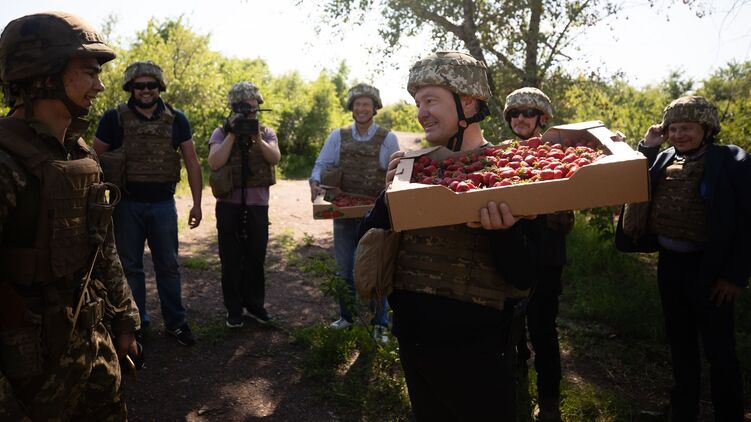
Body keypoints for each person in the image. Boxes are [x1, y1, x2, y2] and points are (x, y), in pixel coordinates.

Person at [358, 51, 545, 421]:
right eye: (417, 102)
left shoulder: (515, 171)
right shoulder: (413, 167)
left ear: (468, 102)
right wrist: (387, 195)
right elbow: (368, 242)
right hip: (414, 342)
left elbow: (526, 275)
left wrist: (503, 234)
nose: (421, 112)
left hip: (479, 353)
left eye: (431, 100)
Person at [0, 12, 140, 420]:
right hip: (29, 365)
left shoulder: (82, 155)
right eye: (88, 72)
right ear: (44, 75)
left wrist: (125, 320)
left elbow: (104, 247)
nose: (99, 85)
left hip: (92, 344)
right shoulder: (6, 163)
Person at [616, 96, 750, 421]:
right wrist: (648, 143)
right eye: (672, 128)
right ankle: (683, 408)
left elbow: (749, 220)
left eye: (686, 128)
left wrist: (734, 276)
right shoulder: (663, 158)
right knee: (680, 341)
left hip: (711, 270)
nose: (679, 135)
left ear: (706, 128)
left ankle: (729, 412)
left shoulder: (732, 161)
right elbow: (633, 176)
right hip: (671, 267)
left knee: (720, 350)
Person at [93, 61, 203, 346]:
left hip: (163, 205)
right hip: (126, 205)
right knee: (130, 268)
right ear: (131, 87)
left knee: (168, 266)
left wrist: (197, 203)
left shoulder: (176, 119)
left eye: (151, 85)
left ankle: (176, 323)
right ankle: (136, 323)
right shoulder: (113, 118)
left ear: (159, 87)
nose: (145, 90)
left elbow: (192, 161)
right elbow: (92, 159)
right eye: (139, 85)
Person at [309, 83, 400, 340]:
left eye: (366, 104)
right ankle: (346, 317)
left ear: (374, 108)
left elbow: (397, 174)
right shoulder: (338, 136)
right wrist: (315, 181)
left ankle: (380, 323)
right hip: (344, 210)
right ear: (352, 108)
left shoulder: (387, 138)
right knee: (345, 267)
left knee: (377, 267)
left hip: (376, 212)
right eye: (357, 104)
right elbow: (322, 164)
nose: (361, 108)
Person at [504, 87, 572, 421]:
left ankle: (549, 402)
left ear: (542, 118)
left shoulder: (560, 153)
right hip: (512, 254)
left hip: (546, 257)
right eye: (514, 114)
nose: (520, 119)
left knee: (543, 328)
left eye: (527, 113)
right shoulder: (500, 155)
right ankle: (515, 386)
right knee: (508, 326)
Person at [207, 82, 280, 328]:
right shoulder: (220, 133)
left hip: (258, 206)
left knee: (255, 256)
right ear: (234, 108)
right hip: (229, 204)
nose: (251, 112)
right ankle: (234, 309)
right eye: (245, 108)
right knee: (230, 258)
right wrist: (232, 134)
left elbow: (274, 158)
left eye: (254, 107)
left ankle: (255, 305)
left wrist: (256, 136)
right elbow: (215, 162)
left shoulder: (267, 132)